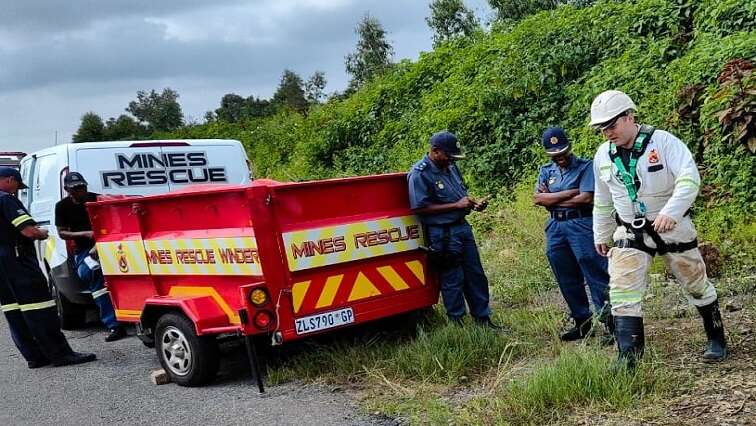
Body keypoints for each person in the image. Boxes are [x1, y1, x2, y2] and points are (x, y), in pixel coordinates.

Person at [590, 90, 727, 369]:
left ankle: (716, 337)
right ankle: (628, 357)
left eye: (612, 126)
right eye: (602, 129)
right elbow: (603, 199)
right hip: (629, 230)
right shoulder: (604, 155)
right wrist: (601, 234)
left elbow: (689, 179)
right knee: (622, 292)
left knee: (695, 283)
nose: (607, 133)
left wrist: (671, 212)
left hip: (671, 226)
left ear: (629, 117)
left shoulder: (664, 143)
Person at [0, 167, 96, 368]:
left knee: (14, 312)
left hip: (3, 269)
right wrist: (42, 232)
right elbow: (28, 231)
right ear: (9, 179)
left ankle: (35, 357)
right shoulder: (6, 199)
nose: (16, 190)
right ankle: (60, 355)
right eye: (17, 185)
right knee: (40, 308)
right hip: (18, 262)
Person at [407, 131, 501, 329]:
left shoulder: (450, 167)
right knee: (452, 280)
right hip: (443, 235)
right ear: (435, 151)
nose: (451, 160)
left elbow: (459, 196)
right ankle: (458, 325)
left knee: (475, 275)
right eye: (448, 156)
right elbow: (420, 208)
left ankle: (483, 319)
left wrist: (472, 204)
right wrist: (456, 206)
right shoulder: (419, 173)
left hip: (462, 228)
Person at [533, 127, 612, 342]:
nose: (560, 158)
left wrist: (553, 197)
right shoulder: (546, 171)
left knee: (594, 270)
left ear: (570, 147)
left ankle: (611, 323)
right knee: (565, 275)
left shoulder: (586, 166)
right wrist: (569, 193)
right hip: (556, 228)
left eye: (563, 152)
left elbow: (586, 198)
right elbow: (538, 199)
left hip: (582, 223)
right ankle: (582, 322)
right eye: (554, 155)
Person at [55, 172, 126, 342]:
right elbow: (62, 233)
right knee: (90, 274)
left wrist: (99, 242)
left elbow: (114, 222)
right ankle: (114, 324)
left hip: (107, 244)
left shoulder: (97, 199)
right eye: (76, 188)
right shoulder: (62, 206)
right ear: (67, 190)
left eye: (82, 187)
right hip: (84, 250)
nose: (81, 191)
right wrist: (85, 234)